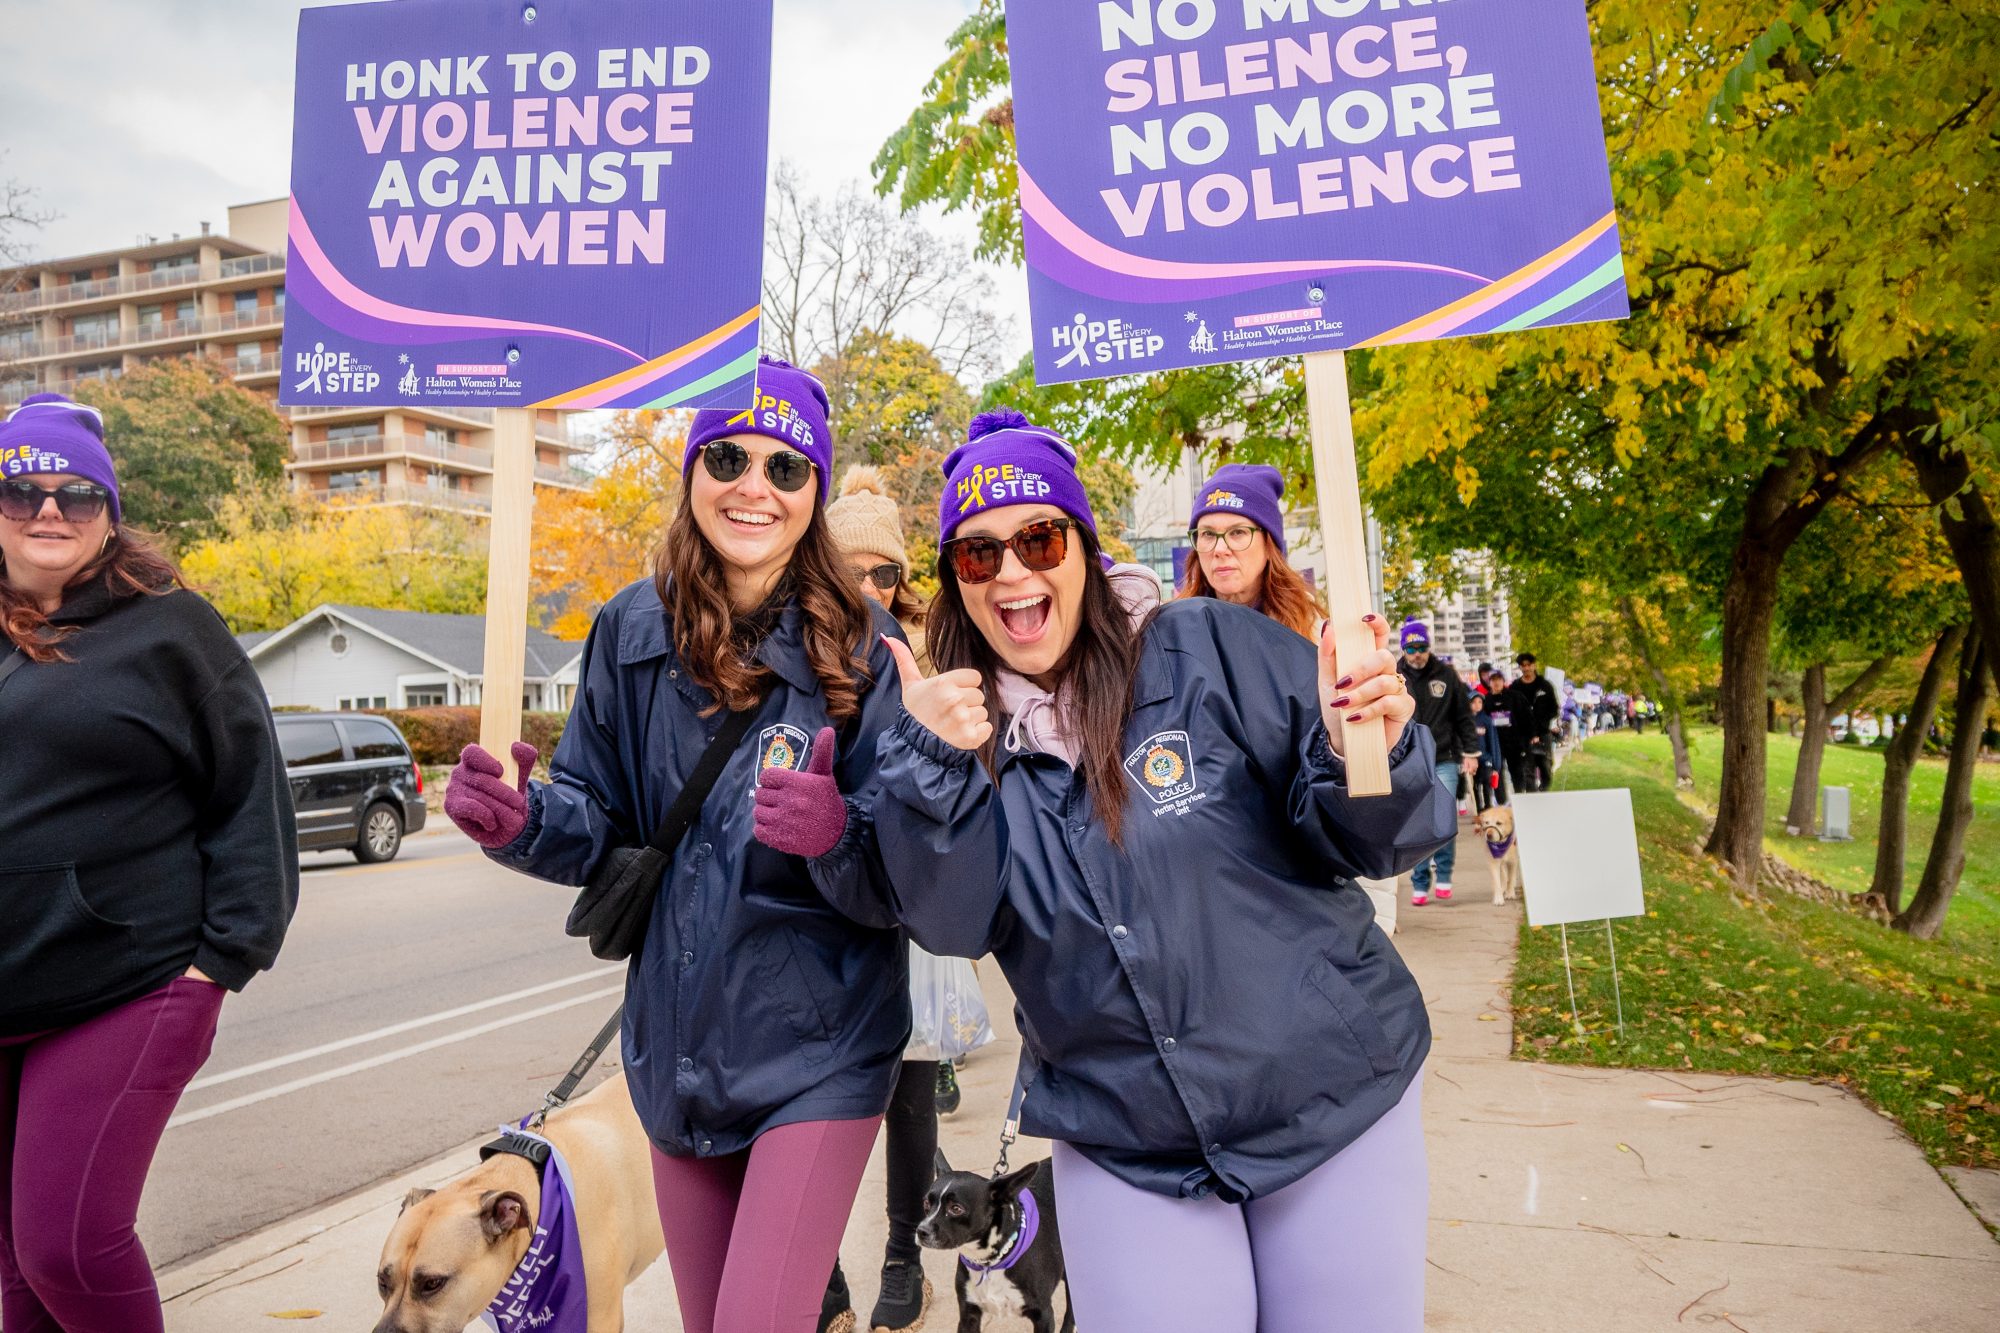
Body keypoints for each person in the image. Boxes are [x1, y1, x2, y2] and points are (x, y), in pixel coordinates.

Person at [790, 410, 1454, 1333]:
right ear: (956, 581)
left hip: (1327, 1092)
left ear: (1085, 548)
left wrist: (1362, 752)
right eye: (978, 555)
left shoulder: (1207, 646)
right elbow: (953, 924)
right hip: (1123, 1135)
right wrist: (929, 772)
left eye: (1038, 538)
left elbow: (1378, 840)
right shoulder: (951, 732)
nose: (1012, 571)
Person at [443, 359, 909, 1333]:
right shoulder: (627, 626)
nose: (754, 486)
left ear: (815, 491)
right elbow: (595, 814)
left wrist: (838, 832)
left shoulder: (865, 646)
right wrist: (526, 821)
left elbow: (909, 873)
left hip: (821, 1046)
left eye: (786, 468)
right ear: (693, 470)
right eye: (728, 458)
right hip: (678, 1052)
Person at [0, 393, 298, 1333]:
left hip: (128, 984)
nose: (49, 511)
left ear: (110, 513)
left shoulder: (171, 630)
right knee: (14, 1269)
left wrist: (221, 962)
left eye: (77, 494)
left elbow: (251, 790)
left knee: (68, 1245)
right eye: (22, 491)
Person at [817, 463, 973, 1333]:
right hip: (816, 900)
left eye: (886, 572)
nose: (871, 587)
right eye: (854, 570)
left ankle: (904, 1256)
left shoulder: (926, 651)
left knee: (910, 1092)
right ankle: (822, 1268)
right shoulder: (795, 649)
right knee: (820, 1096)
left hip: (903, 896)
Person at [1177, 462, 1323, 639]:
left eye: (1237, 532)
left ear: (1269, 546)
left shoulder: (1312, 631)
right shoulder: (1175, 628)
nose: (1220, 549)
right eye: (1208, 534)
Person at [1395, 620, 1479, 906]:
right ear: (1403, 649)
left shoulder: (1446, 674)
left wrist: (1470, 752)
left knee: (1443, 819)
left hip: (1444, 757)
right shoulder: (1394, 676)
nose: (1417, 654)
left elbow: (1463, 716)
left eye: (1421, 647)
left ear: (1429, 647)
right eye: (1411, 649)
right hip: (1408, 759)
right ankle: (1419, 882)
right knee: (1417, 822)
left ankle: (1444, 875)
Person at [1502, 652, 1561, 792]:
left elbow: (1554, 708)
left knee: (1545, 765)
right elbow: (1510, 711)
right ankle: (1532, 796)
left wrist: (1543, 723)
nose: (1526, 668)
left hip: (1543, 733)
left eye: (1529, 665)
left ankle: (1544, 790)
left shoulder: (1545, 685)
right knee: (1528, 769)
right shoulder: (1515, 687)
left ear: (1534, 666)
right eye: (1523, 666)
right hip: (1524, 735)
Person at [1468, 692, 1508, 810]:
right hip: (1471, 760)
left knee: (1487, 784)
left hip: (1486, 759)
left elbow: (1493, 743)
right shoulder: (1465, 721)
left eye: (1480, 702)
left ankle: (1488, 807)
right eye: (1474, 702)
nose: (1477, 704)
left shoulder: (1487, 720)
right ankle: (1479, 810)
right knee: (1475, 786)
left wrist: (1496, 765)